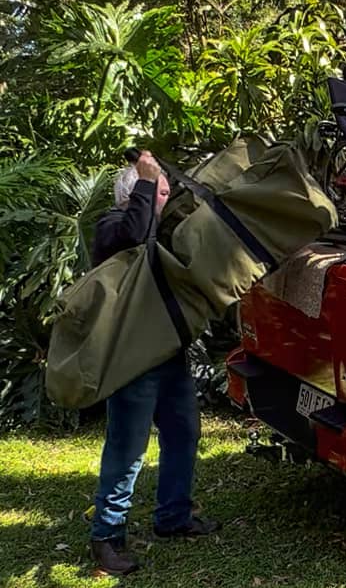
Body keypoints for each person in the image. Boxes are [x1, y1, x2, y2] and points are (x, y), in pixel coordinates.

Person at [90, 151, 220, 576]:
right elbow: (132, 240)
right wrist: (146, 181)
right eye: (160, 190)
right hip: (133, 360)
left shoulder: (159, 228)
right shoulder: (112, 226)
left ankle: (174, 517)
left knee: (184, 434)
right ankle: (106, 538)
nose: (166, 197)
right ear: (136, 193)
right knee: (128, 449)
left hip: (169, 354)